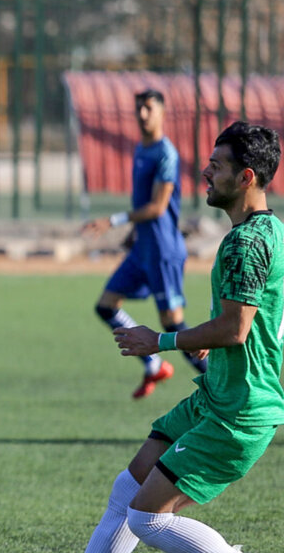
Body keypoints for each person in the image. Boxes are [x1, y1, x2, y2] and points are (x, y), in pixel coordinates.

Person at [5, 121, 284, 553]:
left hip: (240, 411)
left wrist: (162, 341)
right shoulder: (283, 238)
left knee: (147, 517)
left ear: (248, 176)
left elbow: (237, 327)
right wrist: (241, 337)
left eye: (218, 165)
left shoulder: (242, 244)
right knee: (131, 483)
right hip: (219, 397)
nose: (206, 172)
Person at [83, 89, 209, 399]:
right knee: (105, 305)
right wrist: (132, 235)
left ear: (162, 113)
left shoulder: (166, 154)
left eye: (148, 108)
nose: (142, 114)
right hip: (143, 248)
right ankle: (153, 366)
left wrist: (113, 221)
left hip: (164, 251)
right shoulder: (142, 148)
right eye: (138, 108)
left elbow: (157, 207)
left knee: (174, 325)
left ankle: (220, 385)